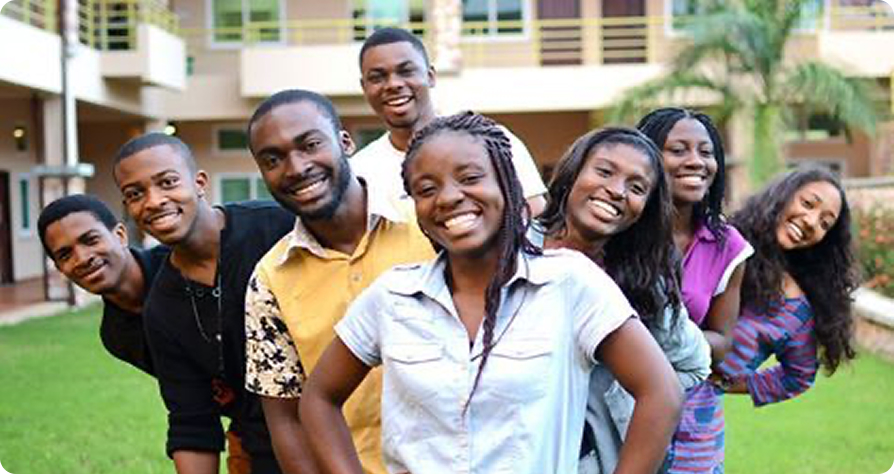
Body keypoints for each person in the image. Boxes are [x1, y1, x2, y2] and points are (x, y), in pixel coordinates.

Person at [299, 112, 682, 474]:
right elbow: (318, 398)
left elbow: (661, 392)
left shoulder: (569, 282)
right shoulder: (392, 296)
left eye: (469, 177)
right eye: (427, 189)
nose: (448, 198)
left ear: (508, 184)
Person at [243, 89, 435, 474]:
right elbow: (285, 416)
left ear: (344, 142)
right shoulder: (269, 279)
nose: (295, 168)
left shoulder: (430, 227)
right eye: (273, 159)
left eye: (310, 145)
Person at [112, 133, 294, 474]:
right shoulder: (162, 308)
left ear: (199, 183)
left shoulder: (277, 226)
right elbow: (192, 423)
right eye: (135, 195)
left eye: (167, 182)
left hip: (353, 435)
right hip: (265, 456)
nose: (153, 201)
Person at [536, 127, 711, 474]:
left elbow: (695, 364)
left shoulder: (642, 286)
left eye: (636, 188)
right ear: (573, 174)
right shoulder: (514, 250)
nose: (616, 191)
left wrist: (624, 393)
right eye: (604, 172)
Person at [637, 107, 753, 473]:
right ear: (647, 156)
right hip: (619, 402)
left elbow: (722, 342)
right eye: (678, 150)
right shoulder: (621, 231)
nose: (696, 161)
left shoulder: (727, 245)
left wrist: (673, 337)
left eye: (706, 152)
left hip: (693, 414)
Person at [352, 27, 548, 216]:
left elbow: (535, 211)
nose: (393, 84)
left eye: (406, 71)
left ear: (430, 77)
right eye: (377, 77)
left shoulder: (491, 142)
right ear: (364, 87)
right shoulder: (359, 172)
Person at [716, 167, 858, 403]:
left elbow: (798, 376)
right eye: (808, 203)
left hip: (696, 429)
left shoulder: (792, 307)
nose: (812, 222)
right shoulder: (717, 243)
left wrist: (722, 383)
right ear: (782, 194)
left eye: (825, 224)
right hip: (634, 400)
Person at [38, 194, 167, 376]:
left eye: (91, 240)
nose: (82, 259)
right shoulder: (116, 335)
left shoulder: (182, 264)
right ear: (60, 269)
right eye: (65, 255)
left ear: (120, 235)